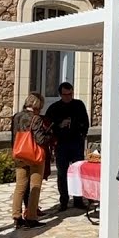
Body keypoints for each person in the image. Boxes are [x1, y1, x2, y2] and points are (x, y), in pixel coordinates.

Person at [44, 82, 89, 211]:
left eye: (70, 94)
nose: (68, 97)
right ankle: (63, 200)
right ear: (60, 94)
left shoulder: (78, 105)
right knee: (62, 173)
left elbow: (85, 122)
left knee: (78, 172)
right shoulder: (54, 108)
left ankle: (78, 199)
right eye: (65, 95)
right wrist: (59, 125)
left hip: (76, 143)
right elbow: (47, 125)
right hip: (62, 144)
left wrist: (82, 134)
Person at [12, 92, 52, 228]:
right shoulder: (36, 119)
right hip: (34, 156)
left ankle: (17, 217)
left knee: (20, 186)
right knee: (35, 186)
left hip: (19, 154)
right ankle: (31, 217)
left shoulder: (16, 117)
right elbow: (40, 139)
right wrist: (49, 135)